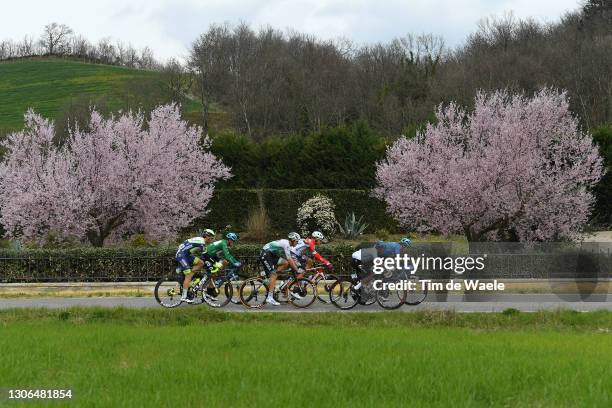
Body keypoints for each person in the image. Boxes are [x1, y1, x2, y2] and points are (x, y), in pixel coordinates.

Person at [259, 232, 303, 306]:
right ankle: (269, 297)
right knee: (274, 274)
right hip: (266, 254)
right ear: (292, 240)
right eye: (297, 241)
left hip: (271, 254)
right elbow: (290, 259)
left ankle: (273, 275)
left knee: (285, 263)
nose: (297, 243)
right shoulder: (286, 244)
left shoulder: (288, 245)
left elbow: (290, 258)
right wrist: (297, 269)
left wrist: (297, 265)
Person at [175, 229, 216, 304]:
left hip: (186, 255)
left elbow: (204, 257)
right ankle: (184, 296)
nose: (212, 240)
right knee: (188, 275)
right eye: (211, 238)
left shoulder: (200, 241)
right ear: (207, 236)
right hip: (181, 256)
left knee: (201, 263)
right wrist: (214, 263)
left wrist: (211, 262)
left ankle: (190, 275)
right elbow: (205, 255)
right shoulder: (201, 242)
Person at [203, 232, 242, 299]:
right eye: (233, 241)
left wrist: (235, 262)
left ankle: (219, 278)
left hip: (212, 255)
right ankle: (209, 290)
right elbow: (227, 255)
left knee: (225, 262)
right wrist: (235, 263)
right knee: (213, 272)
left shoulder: (224, 243)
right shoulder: (224, 243)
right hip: (207, 255)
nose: (233, 243)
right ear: (229, 240)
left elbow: (228, 256)